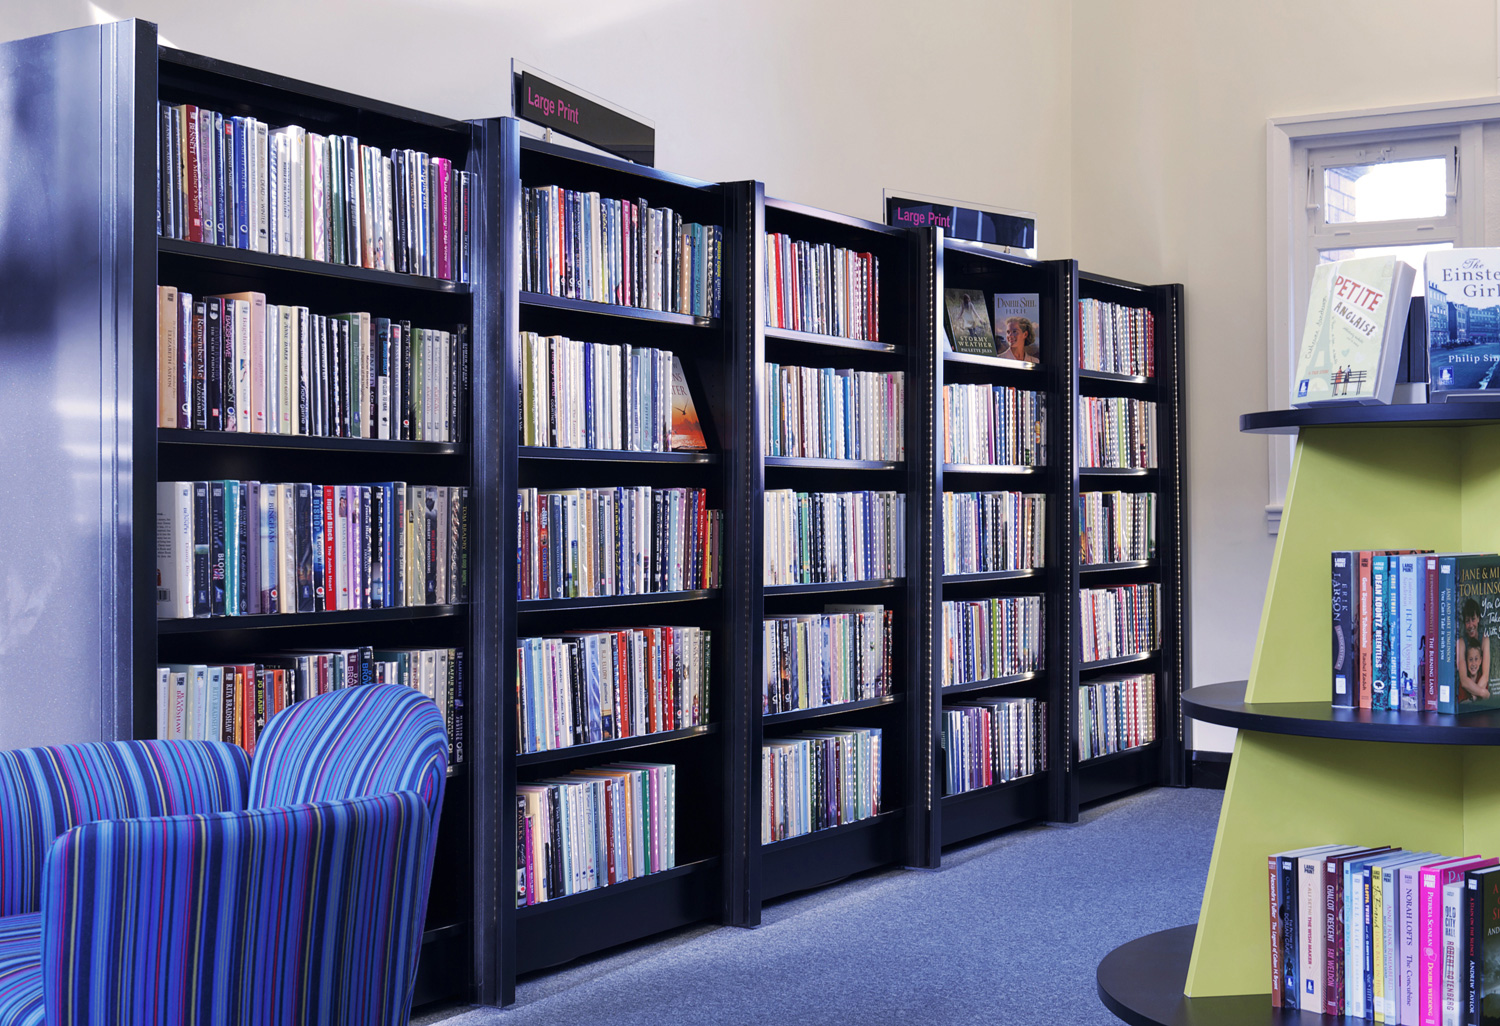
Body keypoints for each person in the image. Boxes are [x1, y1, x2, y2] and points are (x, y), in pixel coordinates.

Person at [1457, 597, 1491, 701]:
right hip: (1465, 691)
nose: (1471, 625)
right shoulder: (1462, 642)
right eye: (1467, 621)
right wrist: (1482, 693)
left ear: (1478, 619)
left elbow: (1485, 676)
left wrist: (1473, 698)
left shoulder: (1484, 640)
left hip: (1478, 687)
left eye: (1473, 619)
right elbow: (1464, 680)